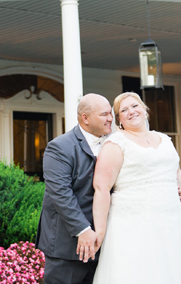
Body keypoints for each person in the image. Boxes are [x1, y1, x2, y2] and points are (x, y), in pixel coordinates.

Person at [91, 92, 181, 283]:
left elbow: (175, 170)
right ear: (119, 119)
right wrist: (100, 231)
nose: (131, 112)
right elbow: (101, 188)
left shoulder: (164, 139)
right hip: (134, 226)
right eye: (124, 110)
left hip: (171, 223)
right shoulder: (115, 144)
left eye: (135, 106)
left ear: (145, 110)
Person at [36, 93, 114, 284]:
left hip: (107, 246)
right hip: (68, 246)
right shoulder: (59, 147)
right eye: (104, 114)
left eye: (111, 113)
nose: (111, 118)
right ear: (85, 118)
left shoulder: (115, 145)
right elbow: (61, 193)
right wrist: (83, 229)